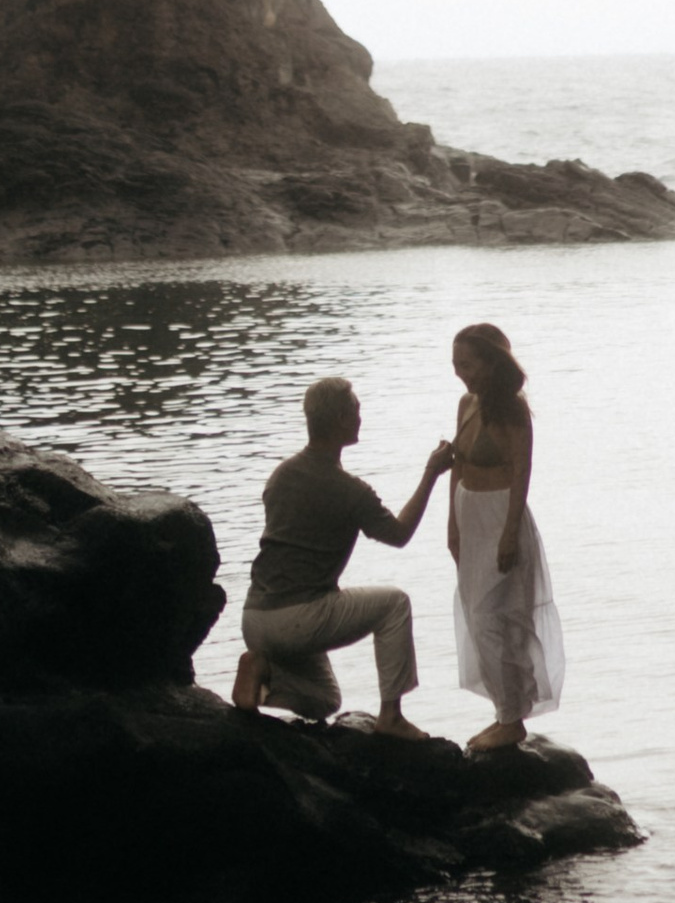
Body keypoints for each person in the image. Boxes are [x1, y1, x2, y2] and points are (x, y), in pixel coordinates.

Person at [233, 378, 453, 732]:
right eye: (355, 410)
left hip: (256, 618)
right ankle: (392, 716)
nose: (360, 417)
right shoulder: (349, 490)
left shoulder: (281, 474)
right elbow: (399, 535)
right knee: (394, 604)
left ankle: (262, 674)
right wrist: (431, 473)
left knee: (324, 700)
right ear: (339, 419)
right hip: (299, 619)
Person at [448, 322, 566, 751]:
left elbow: (521, 473)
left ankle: (512, 718)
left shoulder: (513, 410)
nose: (461, 373)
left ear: (491, 363)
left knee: (500, 619)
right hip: (469, 515)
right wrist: (452, 525)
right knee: (477, 620)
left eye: (467, 364)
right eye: (456, 365)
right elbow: (458, 465)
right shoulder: (466, 403)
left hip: (501, 517)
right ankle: (504, 711)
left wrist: (509, 534)